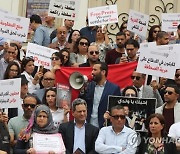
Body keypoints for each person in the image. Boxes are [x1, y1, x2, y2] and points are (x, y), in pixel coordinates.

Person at [79, 62, 121, 128]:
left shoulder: (114, 89)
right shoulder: (89, 86)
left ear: (103, 72)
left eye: (95, 70)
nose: (92, 72)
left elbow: (117, 108)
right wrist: (82, 91)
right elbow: (81, 102)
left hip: (104, 126)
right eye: (92, 70)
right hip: (88, 125)